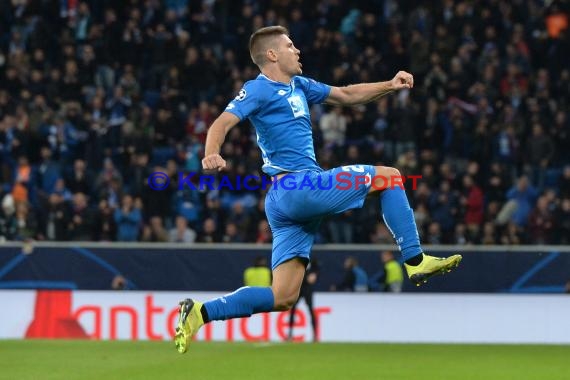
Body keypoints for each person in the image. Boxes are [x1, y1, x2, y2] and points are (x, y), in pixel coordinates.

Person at [175, 26, 462, 353]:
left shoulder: (300, 85)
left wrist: (389, 85)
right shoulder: (258, 89)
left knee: (282, 297)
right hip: (298, 186)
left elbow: (348, 95)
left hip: (285, 201)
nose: (297, 50)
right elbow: (221, 123)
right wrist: (211, 152)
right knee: (391, 176)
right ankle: (415, 260)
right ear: (272, 55)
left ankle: (200, 312)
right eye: (289, 45)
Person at [288, 258, 319, 342]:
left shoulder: (312, 261)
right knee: (292, 309)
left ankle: (315, 335)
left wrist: (315, 274)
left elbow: (316, 270)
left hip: (307, 288)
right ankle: (290, 334)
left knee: (310, 310)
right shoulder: (297, 260)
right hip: (298, 287)